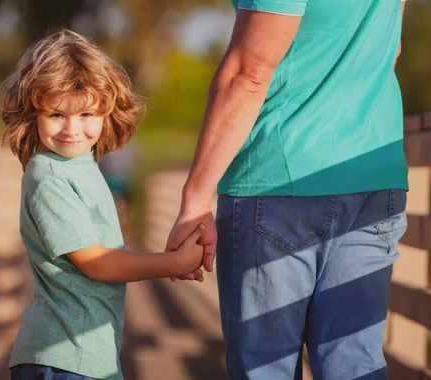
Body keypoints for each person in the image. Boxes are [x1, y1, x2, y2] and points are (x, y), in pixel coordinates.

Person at [166, 0, 408, 379]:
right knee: (356, 364)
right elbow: (387, 50)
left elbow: (248, 73)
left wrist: (195, 201)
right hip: (374, 173)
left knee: (266, 367)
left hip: (280, 178)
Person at [0, 29, 205, 380]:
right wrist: (171, 263)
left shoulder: (80, 166)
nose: (71, 129)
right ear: (33, 111)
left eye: (86, 115)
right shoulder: (48, 177)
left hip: (84, 353)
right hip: (63, 357)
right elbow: (97, 263)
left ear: (107, 113)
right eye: (56, 114)